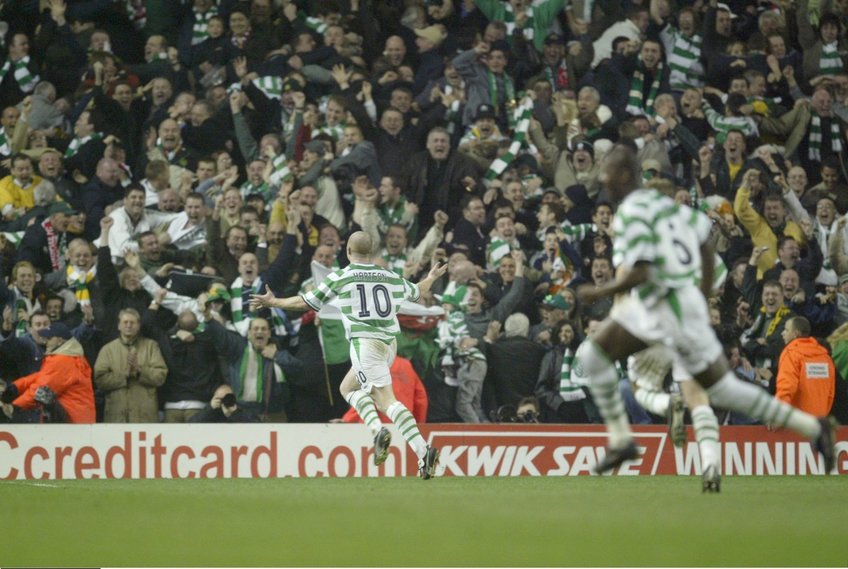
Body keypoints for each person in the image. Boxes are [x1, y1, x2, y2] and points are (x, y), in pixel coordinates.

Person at [576, 146, 837, 488]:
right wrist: (698, 296)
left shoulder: (631, 212)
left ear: (624, 174)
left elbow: (639, 271)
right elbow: (706, 252)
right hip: (687, 305)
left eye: (607, 171)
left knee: (593, 357)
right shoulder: (679, 212)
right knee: (724, 389)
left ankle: (623, 439)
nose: (602, 177)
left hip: (658, 305)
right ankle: (813, 427)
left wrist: (600, 291)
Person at [250, 231, 448, 480]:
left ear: (347, 252)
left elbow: (307, 302)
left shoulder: (342, 276)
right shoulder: (388, 275)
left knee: (386, 401)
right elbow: (417, 291)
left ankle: (424, 451)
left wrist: (274, 302)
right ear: (371, 251)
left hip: (365, 344)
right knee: (347, 387)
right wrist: (431, 277)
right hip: (389, 345)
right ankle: (377, 430)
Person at [0, 322, 95, 424]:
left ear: (60, 341)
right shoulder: (68, 355)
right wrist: (15, 387)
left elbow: (41, 389)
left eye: (49, 338)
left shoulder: (63, 360)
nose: (46, 341)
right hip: (78, 419)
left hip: (72, 422)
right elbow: (42, 376)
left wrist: (14, 407)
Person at [93, 308, 168, 422]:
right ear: (119, 326)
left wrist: (139, 370)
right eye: (125, 322)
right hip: (116, 415)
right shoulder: (107, 349)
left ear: (138, 326)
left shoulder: (151, 346)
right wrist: (125, 374)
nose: (129, 325)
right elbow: (100, 380)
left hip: (144, 416)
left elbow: (160, 376)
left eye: (132, 322)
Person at [776, 316, 836, 417]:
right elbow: (830, 393)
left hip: (796, 420)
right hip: (818, 419)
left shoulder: (791, 353)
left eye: (786, 330)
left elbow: (786, 387)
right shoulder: (825, 357)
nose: (782, 333)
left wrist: (778, 414)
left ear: (795, 333)